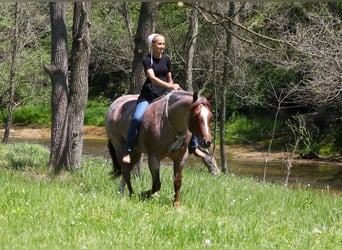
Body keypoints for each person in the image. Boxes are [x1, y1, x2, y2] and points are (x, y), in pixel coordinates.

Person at [122, 33, 207, 164]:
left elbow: (169, 76)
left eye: (163, 44)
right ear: (152, 45)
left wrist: (172, 87)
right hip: (149, 96)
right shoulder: (146, 59)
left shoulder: (166, 59)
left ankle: (194, 146)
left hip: (165, 94)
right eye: (159, 44)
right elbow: (153, 78)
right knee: (137, 117)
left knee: (190, 111)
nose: (162, 46)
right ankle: (128, 150)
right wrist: (169, 85)